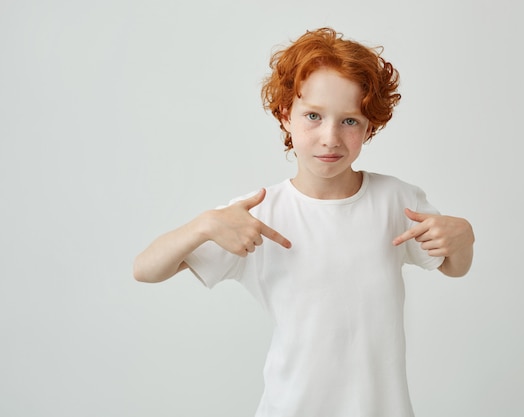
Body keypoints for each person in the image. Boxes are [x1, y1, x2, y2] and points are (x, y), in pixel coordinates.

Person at [134, 27, 474, 417]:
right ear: (285, 116)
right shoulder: (257, 214)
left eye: (350, 121)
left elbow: (453, 266)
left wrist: (464, 236)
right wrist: (204, 225)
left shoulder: (396, 201)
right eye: (313, 116)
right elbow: (145, 270)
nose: (330, 137)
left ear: (369, 126)